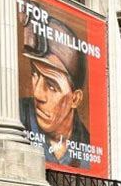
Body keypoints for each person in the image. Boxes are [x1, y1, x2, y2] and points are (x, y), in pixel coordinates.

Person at [19, 12, 89, 169]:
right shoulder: (16, 116)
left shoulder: (88, 145)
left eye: (51, 86)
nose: (37, 93)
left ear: (75, 99)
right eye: (35, 74)